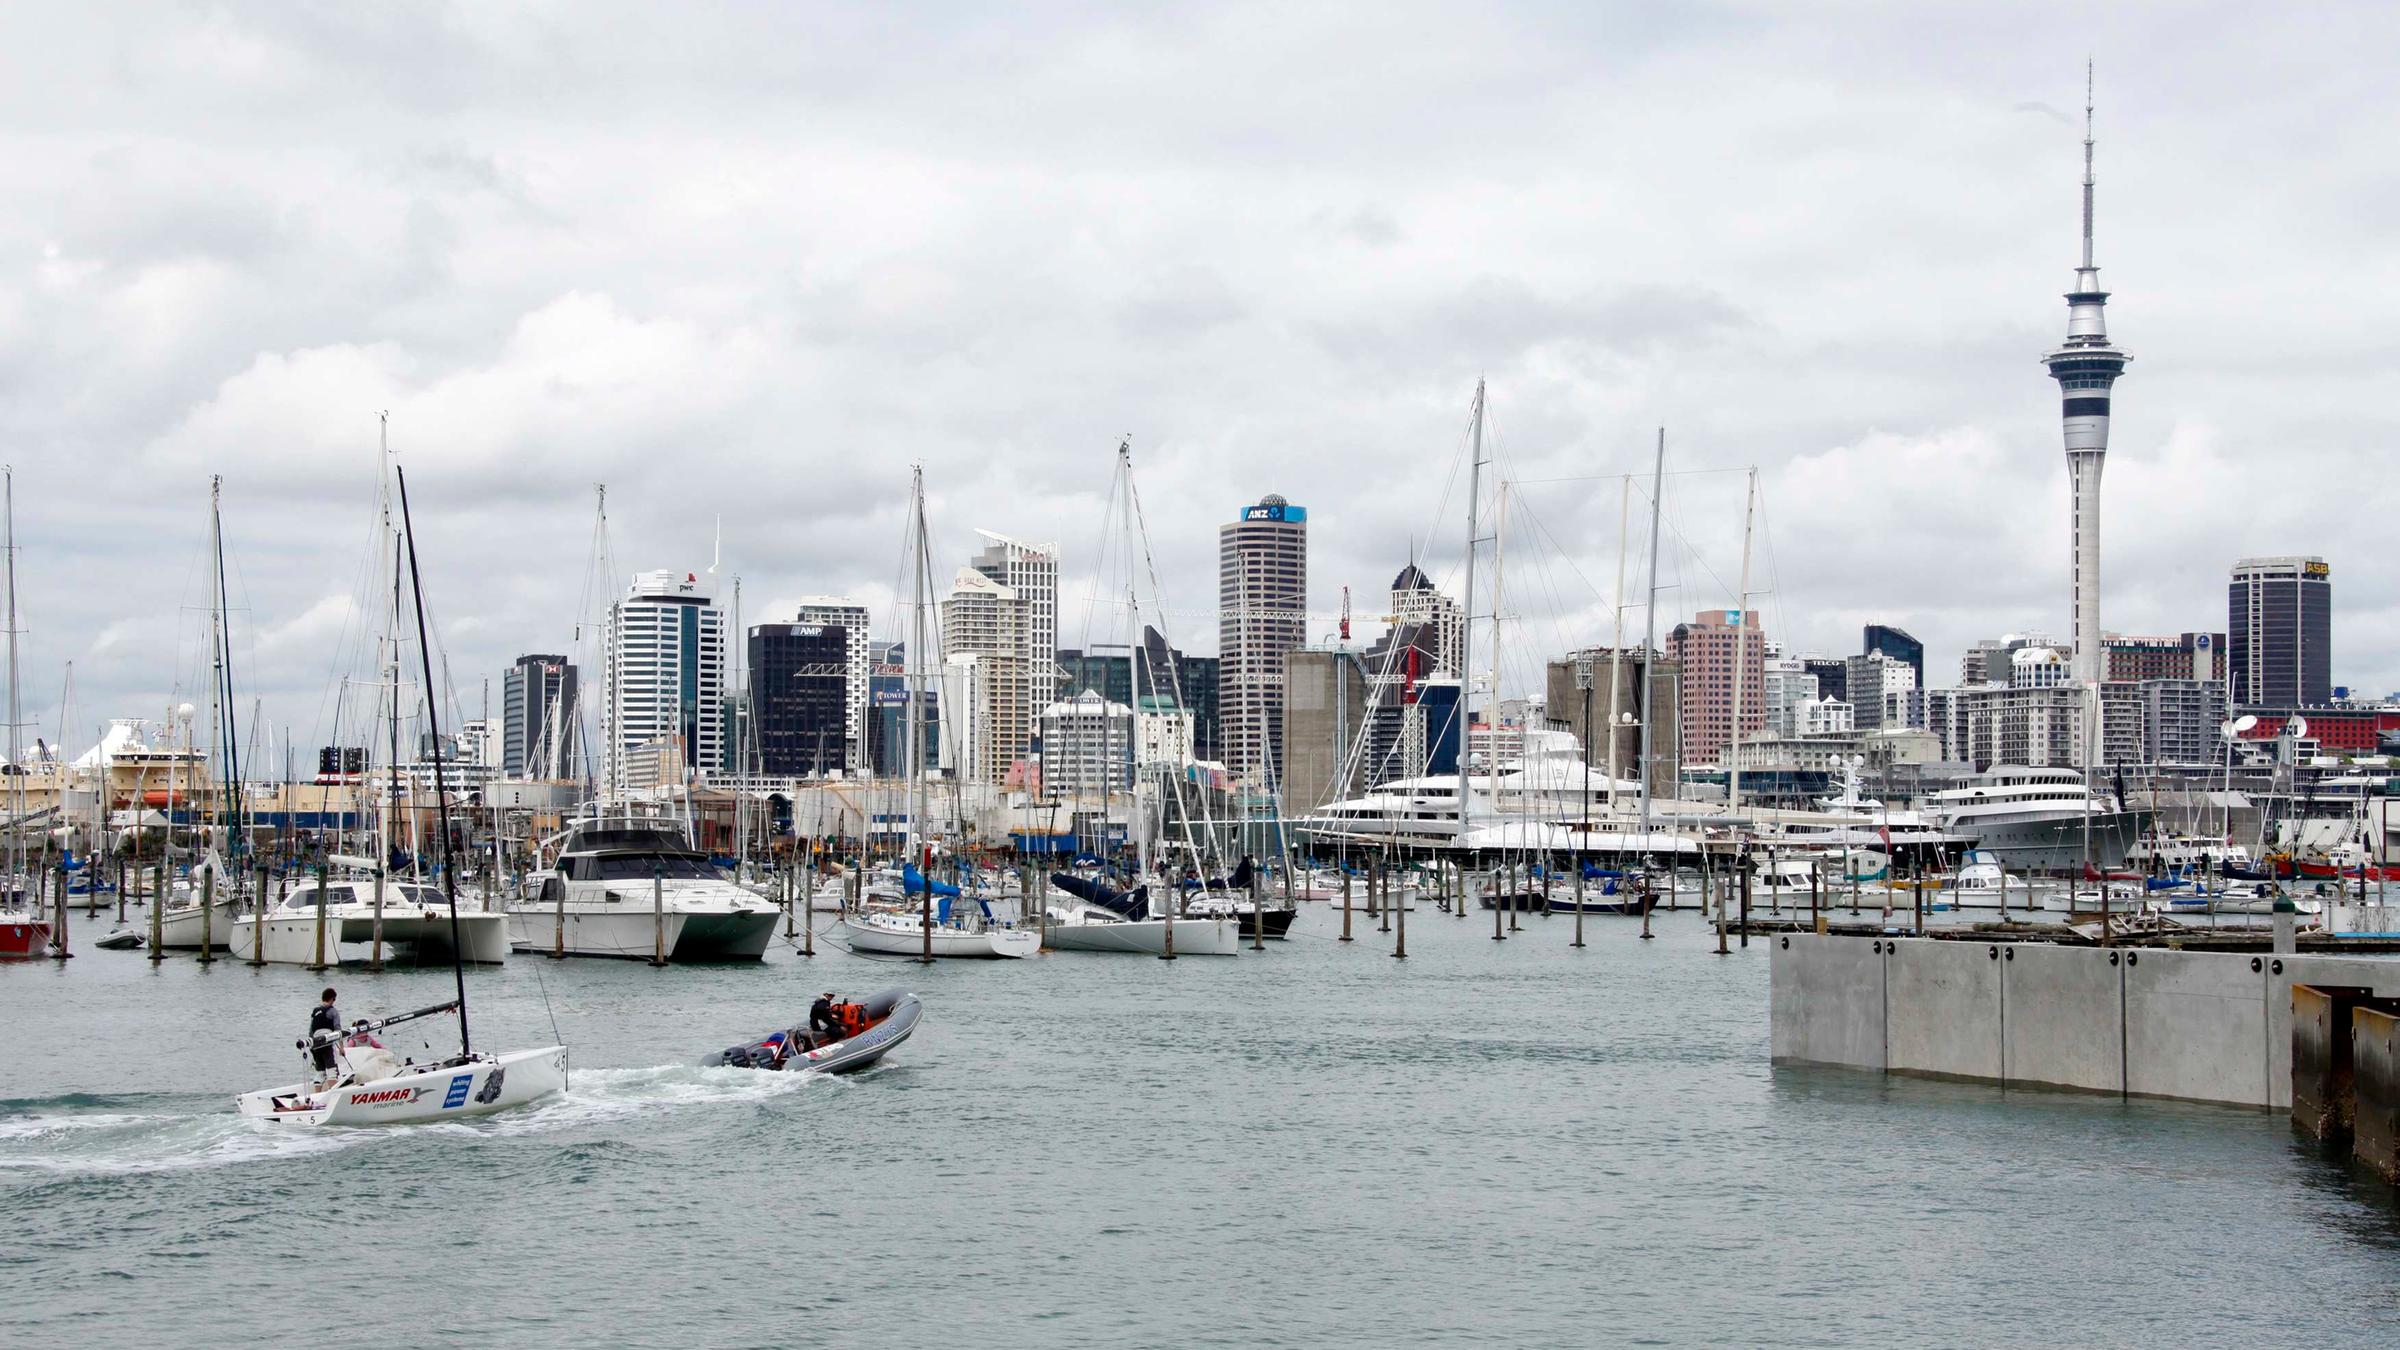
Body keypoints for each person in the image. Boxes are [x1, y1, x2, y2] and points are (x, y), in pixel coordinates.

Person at [308, 988, 343, 1086]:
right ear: (332, 999)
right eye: (334, 999)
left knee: (320, 1073)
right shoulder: (333, 1011)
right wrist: (342, 1048)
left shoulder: (315, 1011)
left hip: (315, 1044)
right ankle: (332, 1096)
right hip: (327, 1042)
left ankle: (316, 1096)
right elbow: (338, 1029)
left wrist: (312, 1047)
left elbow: (311, 1031)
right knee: (332, 1072)